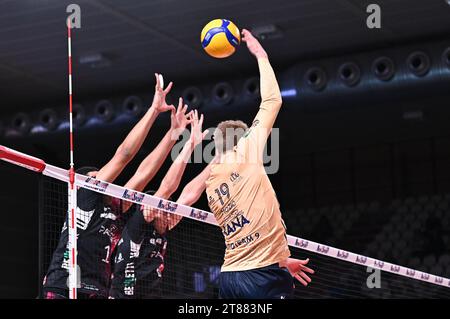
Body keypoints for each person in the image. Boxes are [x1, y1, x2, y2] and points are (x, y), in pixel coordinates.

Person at [42, 74, 190, 299]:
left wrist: (172, 135)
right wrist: (153, 110)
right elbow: (124, 155)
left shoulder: (116, 206)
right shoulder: (86, 196)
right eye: (96, 175)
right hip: (64, 286)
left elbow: (144, 172)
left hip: (97, 290)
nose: (104, 178)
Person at [200, 29, 314, 298]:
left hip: (230, 277)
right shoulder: (245, 152)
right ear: (241, 139)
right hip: (261, 277)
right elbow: (273, 100)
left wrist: (282, 259)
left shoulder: (211, 183)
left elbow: (248, 228)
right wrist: (260, 54)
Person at [108, 111, 210, 299]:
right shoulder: (137, 225)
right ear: (151, 211)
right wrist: (189, 145)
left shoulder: (164, 223)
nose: (168, 211)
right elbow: (167, 188)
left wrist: (219, 162)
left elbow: (188, 196)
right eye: (162, 207)